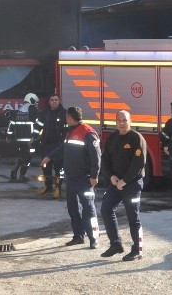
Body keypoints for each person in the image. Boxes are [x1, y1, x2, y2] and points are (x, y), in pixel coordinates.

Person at [41, 106, 101, 249]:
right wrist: (49, 157)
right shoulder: (70, 131)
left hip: (84, 179)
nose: (65, 118)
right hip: (71, 179)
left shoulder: (88, 133)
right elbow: (63, 148)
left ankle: (94, 238)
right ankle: (78, 236)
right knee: (73, 208)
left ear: (70, 118)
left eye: (66, 116)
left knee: (88, 209)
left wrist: (94, 176)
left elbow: (96, 156)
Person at [99, 110, 147, 261]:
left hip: (132, 184)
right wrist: (111, 177)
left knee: (133, 216)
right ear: (115, 122)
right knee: (106, 209)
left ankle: (137, 250)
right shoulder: (112, 138)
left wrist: (125, 180)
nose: (122, 123)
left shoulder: (136, 138)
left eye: (125, 120)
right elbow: (105, 160)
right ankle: (116, 244)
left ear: (130, 121)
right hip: (116, 183)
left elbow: (139, 163)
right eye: (119, 120)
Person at [34, 93, 67, 198]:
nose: (54, 102)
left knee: (59, 168)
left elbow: (69, 129)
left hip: (59, 145)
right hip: (46, 145)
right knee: (46, 167)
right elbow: (38, 126)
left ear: (59, 101)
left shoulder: (64, 113)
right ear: (49, 102)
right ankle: (48, 187)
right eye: (52, 100)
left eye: (56, 100)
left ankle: (58, 188)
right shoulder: (44, 113)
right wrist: (33, 137)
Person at [6, 93, 38, 182]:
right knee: (28, 158)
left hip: (19, 139)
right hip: (30, 140)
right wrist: (35, 137)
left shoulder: (18, 110)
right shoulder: (34, 111)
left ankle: (14, 171)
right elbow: (38, 125)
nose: (36, 104)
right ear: (31, 100)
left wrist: (9, 136)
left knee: (22, 156)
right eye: (35, 102)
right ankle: (22, 176)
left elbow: (11, 124)